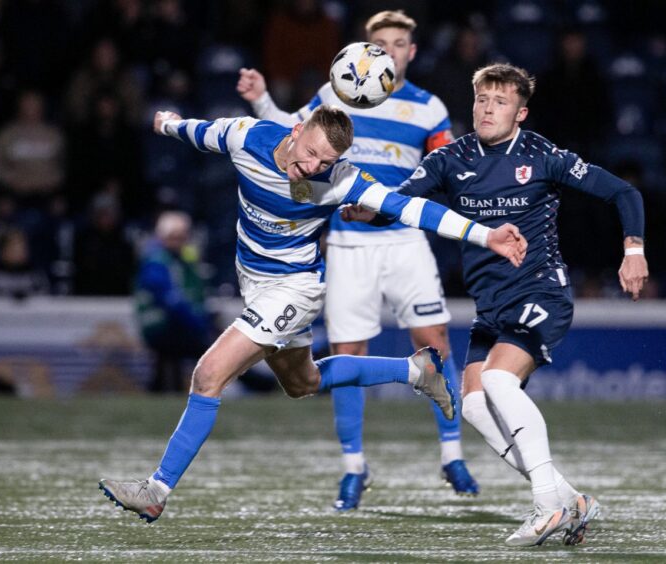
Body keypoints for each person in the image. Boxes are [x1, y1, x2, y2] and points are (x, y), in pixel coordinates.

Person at [98, 104, 528, 523]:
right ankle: (415, 372)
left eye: (326, 161)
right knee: (303, 382)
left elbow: (416, 210)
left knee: (209, 374)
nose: (313, 167)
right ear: (296, 130)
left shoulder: (341, 180)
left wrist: (486, 235)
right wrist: (170, 124)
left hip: (295, 288)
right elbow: (201, 131)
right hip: (255, 284)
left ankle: (156, 490)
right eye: (310, 153)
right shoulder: (247, 136)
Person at [347, 63, 648, 546]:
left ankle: (547, 506)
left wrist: (633, 250)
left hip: (541, 293)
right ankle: (572, 500)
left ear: (521, 112)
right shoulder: (451, 157)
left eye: (500, 102)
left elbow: (622, 191)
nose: (488, 109)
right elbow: (405, 203)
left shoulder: (542, 155)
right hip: (492, 308)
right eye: (482, 100)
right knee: (473, 406)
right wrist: (371, 212)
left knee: (497, 380)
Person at [236, 10, 479, 511]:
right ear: (365, 51)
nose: (390, 50)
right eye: (381, 43)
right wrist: (261, 98)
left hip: (404, 240)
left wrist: (396, 204)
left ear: (411, 51)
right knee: (350, 348)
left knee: (433, 341)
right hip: (345, 242)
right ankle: (353, 467)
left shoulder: (428, 108)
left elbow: (443, 172)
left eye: (399, 43)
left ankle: (452, 455)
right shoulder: (334, 95)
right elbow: (291, 135)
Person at [136, 211, 212, 393]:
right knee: (206, 348)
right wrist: (199, 323)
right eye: (173, 237)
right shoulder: (157, 262)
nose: (178, 242)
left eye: (181, 237)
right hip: (161, 325)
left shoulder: (182, 261)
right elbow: (171, 301)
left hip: (175, 324)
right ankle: (259, 383)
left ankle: (161, 389)